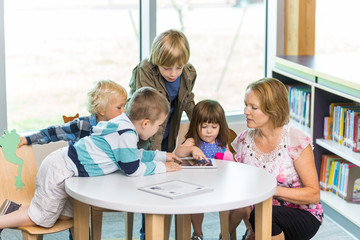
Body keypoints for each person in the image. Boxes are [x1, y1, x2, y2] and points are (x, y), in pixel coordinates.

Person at [0, 87, 182, 235]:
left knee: (66, 216)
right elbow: (133, 169)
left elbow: (131, 156)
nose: (158, 130)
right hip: (60, 168)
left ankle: (14, 209)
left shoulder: (122, 125)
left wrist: (161, 155)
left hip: (64, 166)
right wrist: (162, 167)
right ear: (145, 123)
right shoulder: (126, 134)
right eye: (158, 126)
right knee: (40, 218)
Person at [229, 78, 323, 240]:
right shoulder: (243, 141)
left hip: (302, 214)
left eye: (254, 107)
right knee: (260, 216)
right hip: (259, 215)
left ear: (272, 110)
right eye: (246, 104)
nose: (246, 111)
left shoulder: (295, 139)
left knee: (264, 216)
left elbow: (313, 195)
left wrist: (271, 190)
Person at [128, 29, 197, 239]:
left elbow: (187, 101)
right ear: (157, 60)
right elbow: (147, 108)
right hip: (144, 135)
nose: (173, 73)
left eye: (179, 67)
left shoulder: (188, 73)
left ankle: (161, 233)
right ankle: (146, 234)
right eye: (167, 67)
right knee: (147, 184)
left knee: (165, 183)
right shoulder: (145, 71)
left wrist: (199, 127)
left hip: (167, 132)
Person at [175, 99, 231, 240]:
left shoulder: (222, 142)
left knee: (241, 207)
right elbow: (178, 152)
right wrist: (192, 149)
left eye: (214, 126)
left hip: (218, 185)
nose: (209, 131)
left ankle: (232, 232)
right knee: (197, 206)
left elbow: (230, 162)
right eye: (204, 126)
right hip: (198, 186)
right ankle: (198, 233)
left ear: (220, 126)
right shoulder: (194, 141)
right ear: (196, 126)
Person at [18, 80, 128, 148]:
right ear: (101, 109)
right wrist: (27, 139)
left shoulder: (121, 126)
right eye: (119, 107)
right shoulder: (83, 125)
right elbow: (53, 132)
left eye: (125, 106)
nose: (124, 111)